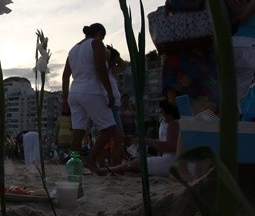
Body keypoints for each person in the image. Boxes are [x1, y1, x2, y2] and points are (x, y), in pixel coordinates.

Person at [161, 0, 239, 116]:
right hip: (188, 65)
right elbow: (178, 0)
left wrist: (237, 12)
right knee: (199, 122)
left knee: (208, 122)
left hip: (213, 63)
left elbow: (225, 23)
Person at [60, 23, 116, 176]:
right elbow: (100, 68)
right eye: (103, 38)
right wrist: (109, 92)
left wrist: (65, 99)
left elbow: (65, 76)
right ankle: (90, 161)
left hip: (74, 93)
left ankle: (75, 165)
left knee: (78, 131)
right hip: (91, 91)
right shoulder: (96, 43)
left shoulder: (73, 49)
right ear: (99, 34)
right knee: (109, 128)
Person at [108, 99, 180, 178]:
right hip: (173, 161)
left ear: (169, 114)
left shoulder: (173, 125)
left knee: (137, 163)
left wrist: (147, 141)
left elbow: (171, 147)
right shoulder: (176, 124)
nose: (162, 115)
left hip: (171, 162)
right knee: (137, 163)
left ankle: (109, 170)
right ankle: (117, 170)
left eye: (163, 112)